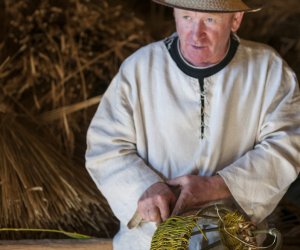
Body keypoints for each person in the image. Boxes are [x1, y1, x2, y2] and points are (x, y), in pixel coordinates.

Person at [85, 0, 300, 249]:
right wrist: (145, 187)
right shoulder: (140, 69)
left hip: (236, 239)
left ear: (236, 19)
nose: (195, 34)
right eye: (187, 17)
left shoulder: (268, 71)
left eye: (210, 20)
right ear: (175, 13)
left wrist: (218, 186)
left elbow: (288, 144)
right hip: (151, 240)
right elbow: (105, 146)